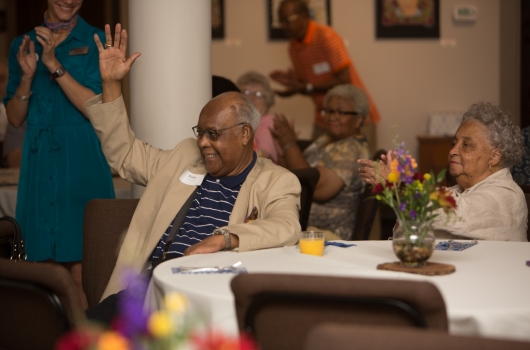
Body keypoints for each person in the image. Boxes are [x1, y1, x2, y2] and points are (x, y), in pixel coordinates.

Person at [84, 24, 301, 322]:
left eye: (212, 134)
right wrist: (110, 84)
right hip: (152, 283)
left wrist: (225, 239)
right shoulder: (186, 157)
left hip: (206, 290)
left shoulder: (276, 180)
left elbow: (286, 226)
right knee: (87, 329)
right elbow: (125, 156)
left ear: (244, 134)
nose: (202, 142)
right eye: (200, 132)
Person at [3, 0, 115, 308]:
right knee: (44, 272)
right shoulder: (22, 44)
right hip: (39, 165)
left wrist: (52, 63)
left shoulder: (96, 41)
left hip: (82, 162)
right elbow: (14, 117)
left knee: (83, 272)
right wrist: (27, 76)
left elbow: (98, 108)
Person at [358, 102, 527, 241]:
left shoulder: (505, 196)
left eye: (466, 145)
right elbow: (405, 235)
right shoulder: (454, 191)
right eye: (454, 143)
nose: (453, 151)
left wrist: (400, 185)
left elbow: (454, 213)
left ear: (494, 156)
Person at [269, 0, 380, 141]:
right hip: (325, 117)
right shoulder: (293, 48)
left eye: (286, 20)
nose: (283, 26)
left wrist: (306, 86)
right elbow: (309, 87)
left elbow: (345, 80)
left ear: (304, 15)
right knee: (313, 161)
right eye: (281, 21)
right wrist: (294, 86)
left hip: (353, 117)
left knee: (360, 162)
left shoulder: (326, 37)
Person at [271, 84, 370, 240]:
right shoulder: (327, 138)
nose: (332, 117)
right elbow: (296, 172)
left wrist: (289, 145)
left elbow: (317, 188)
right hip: (301, 226)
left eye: (341, 112)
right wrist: (282, 153)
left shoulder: (353, 149)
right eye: (329, 111)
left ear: (359, 119)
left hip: (326, 235)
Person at [237, 71, 278, 163]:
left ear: (267, 101)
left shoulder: (269, 122)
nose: (251, 98)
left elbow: (260, 158)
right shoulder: (237, 122)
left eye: (258, 94)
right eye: (246, 92)